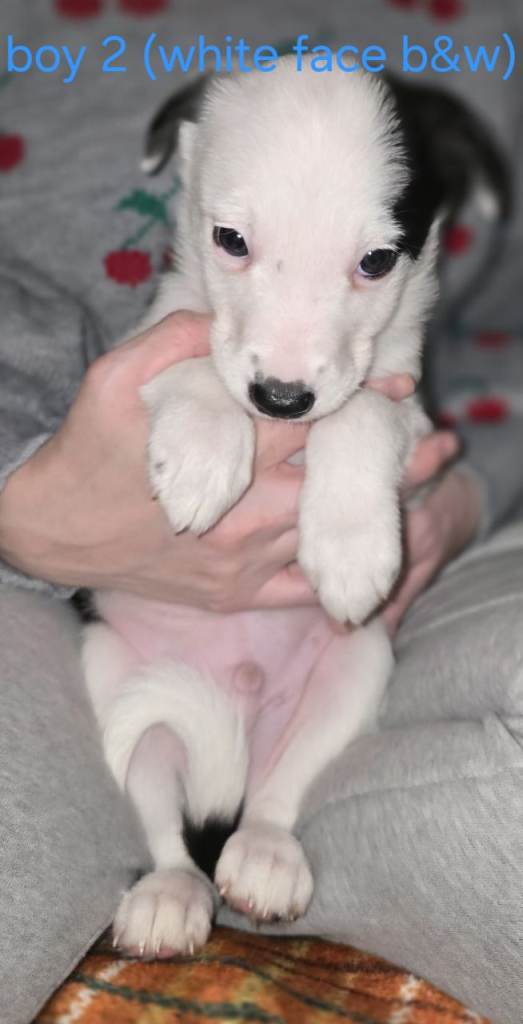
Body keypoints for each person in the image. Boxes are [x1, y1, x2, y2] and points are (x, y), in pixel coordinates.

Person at [0, 2, 521, 1022]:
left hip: (361, 627)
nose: (290, 365)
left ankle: (275, 821)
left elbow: (400, 404)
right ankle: (166, 857)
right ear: (182, 161)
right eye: (234, 242)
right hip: (101, 625)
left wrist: (442, 484)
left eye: (371, 263)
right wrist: (29, 501)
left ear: (435, 232)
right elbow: (173, 377)